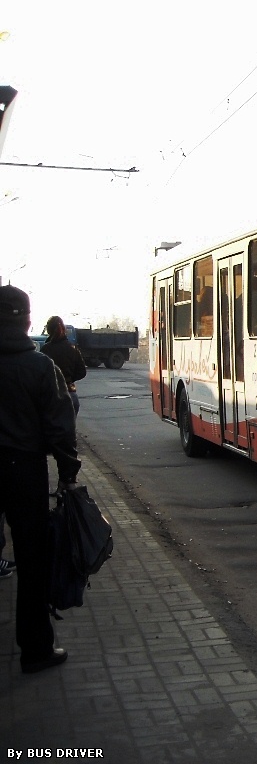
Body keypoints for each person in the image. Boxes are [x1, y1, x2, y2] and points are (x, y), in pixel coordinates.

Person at [0, 285, 81, 673]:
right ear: (27, 321)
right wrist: (67, 475)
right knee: (32, 560)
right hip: (24, 471)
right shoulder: (39, 367)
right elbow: (60, 429)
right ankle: (35, 649)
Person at [41, 315, 87, 416]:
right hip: (71, 395)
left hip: (51, 397)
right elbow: (82, 372)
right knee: (69, 430)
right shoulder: (72, 348)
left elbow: (40, 374)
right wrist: (69, 379)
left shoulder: (46, 349)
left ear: (49, 330)